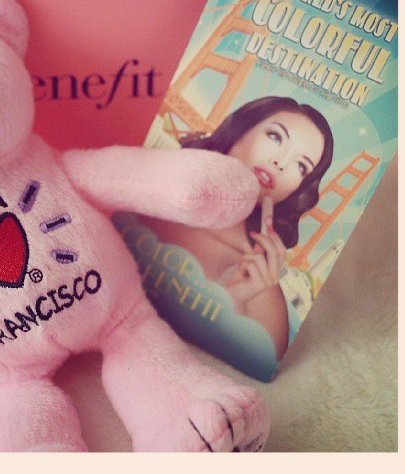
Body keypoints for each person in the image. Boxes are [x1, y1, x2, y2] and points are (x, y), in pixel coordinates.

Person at [142, 96, 334, 359]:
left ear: (298, 189)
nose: (281, 163)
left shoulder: (263, 296)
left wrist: (232, 302)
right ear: (242, 128)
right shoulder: (154, 180)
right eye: (276, 137)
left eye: (301, 166)